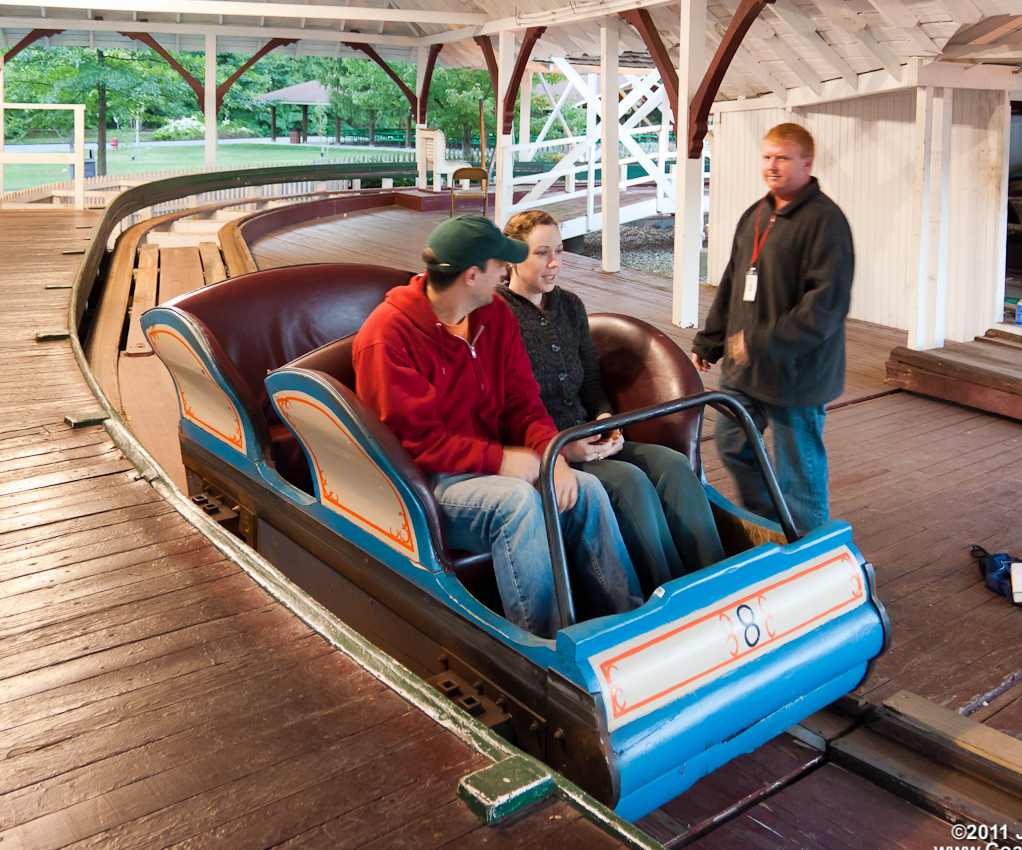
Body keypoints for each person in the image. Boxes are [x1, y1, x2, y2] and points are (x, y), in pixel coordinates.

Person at [352, 214, 642, 638]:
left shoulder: (494, 317)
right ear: (472, 275)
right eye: (498, 266)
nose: (505, 273)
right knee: (518, 504)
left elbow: (522, 403)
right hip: (423, 482)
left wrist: (551, 455)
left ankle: (627, 627)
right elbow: (413, 443)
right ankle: (545, 648)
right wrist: (502, 460)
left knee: (587, 490)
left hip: (483, 464)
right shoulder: (388, 335)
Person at [499, 210, 725, 595]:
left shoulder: (569, 305)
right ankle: (674, 597)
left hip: (591, 434)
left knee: (671, 464)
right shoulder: (497, 315)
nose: (554, 263)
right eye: (541, 253)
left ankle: (720, 578)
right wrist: (566, 447)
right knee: (630, 482)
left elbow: (590, 381)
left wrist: (606, 420)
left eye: (557, 251)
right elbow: (505, 408)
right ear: (511, 258)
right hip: (546, 451)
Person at [691, 123, 853, 535]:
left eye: (782, 157)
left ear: (806, 163)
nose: (772, 166)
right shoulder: (758, 213)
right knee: (731, 443)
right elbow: (732, 281)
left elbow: (826, 306)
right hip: (745, 369)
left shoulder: (826, 222)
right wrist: (710, 340)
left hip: (796, 376)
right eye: (767, 157)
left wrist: (762, 341)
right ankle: (774, 526)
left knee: (799, 473)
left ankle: (809, 554)